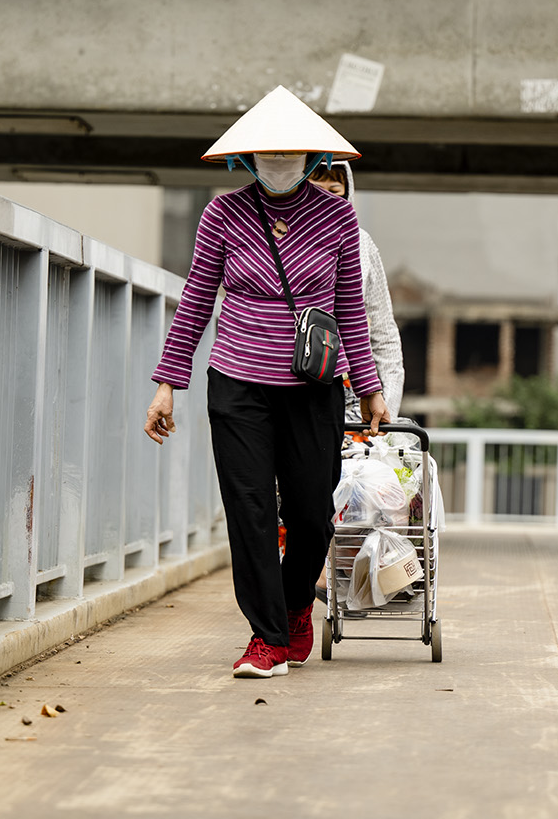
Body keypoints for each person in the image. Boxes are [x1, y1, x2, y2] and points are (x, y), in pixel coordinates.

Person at [143, 85, 391, 679]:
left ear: (312, 158)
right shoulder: (222, 214)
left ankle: (296, 603)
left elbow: (351, 311)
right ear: (248, 158)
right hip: (237, 384)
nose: (278, 163)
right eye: (268, 154)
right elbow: (196, 300)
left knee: (310, 514)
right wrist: (168, 382)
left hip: (312, 387)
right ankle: (267, 637)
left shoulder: (338, 216)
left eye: (289, 154)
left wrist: (371, 387)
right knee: (250, 510)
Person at [307, 159, 404, 422]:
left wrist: (388, 404)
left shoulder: (362, 244)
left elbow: (383, 331)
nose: (326, 199)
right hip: (291, 381)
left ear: (347, 194)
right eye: (316, 189)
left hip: (351, 388)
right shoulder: (281, 238)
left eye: (334, 191)